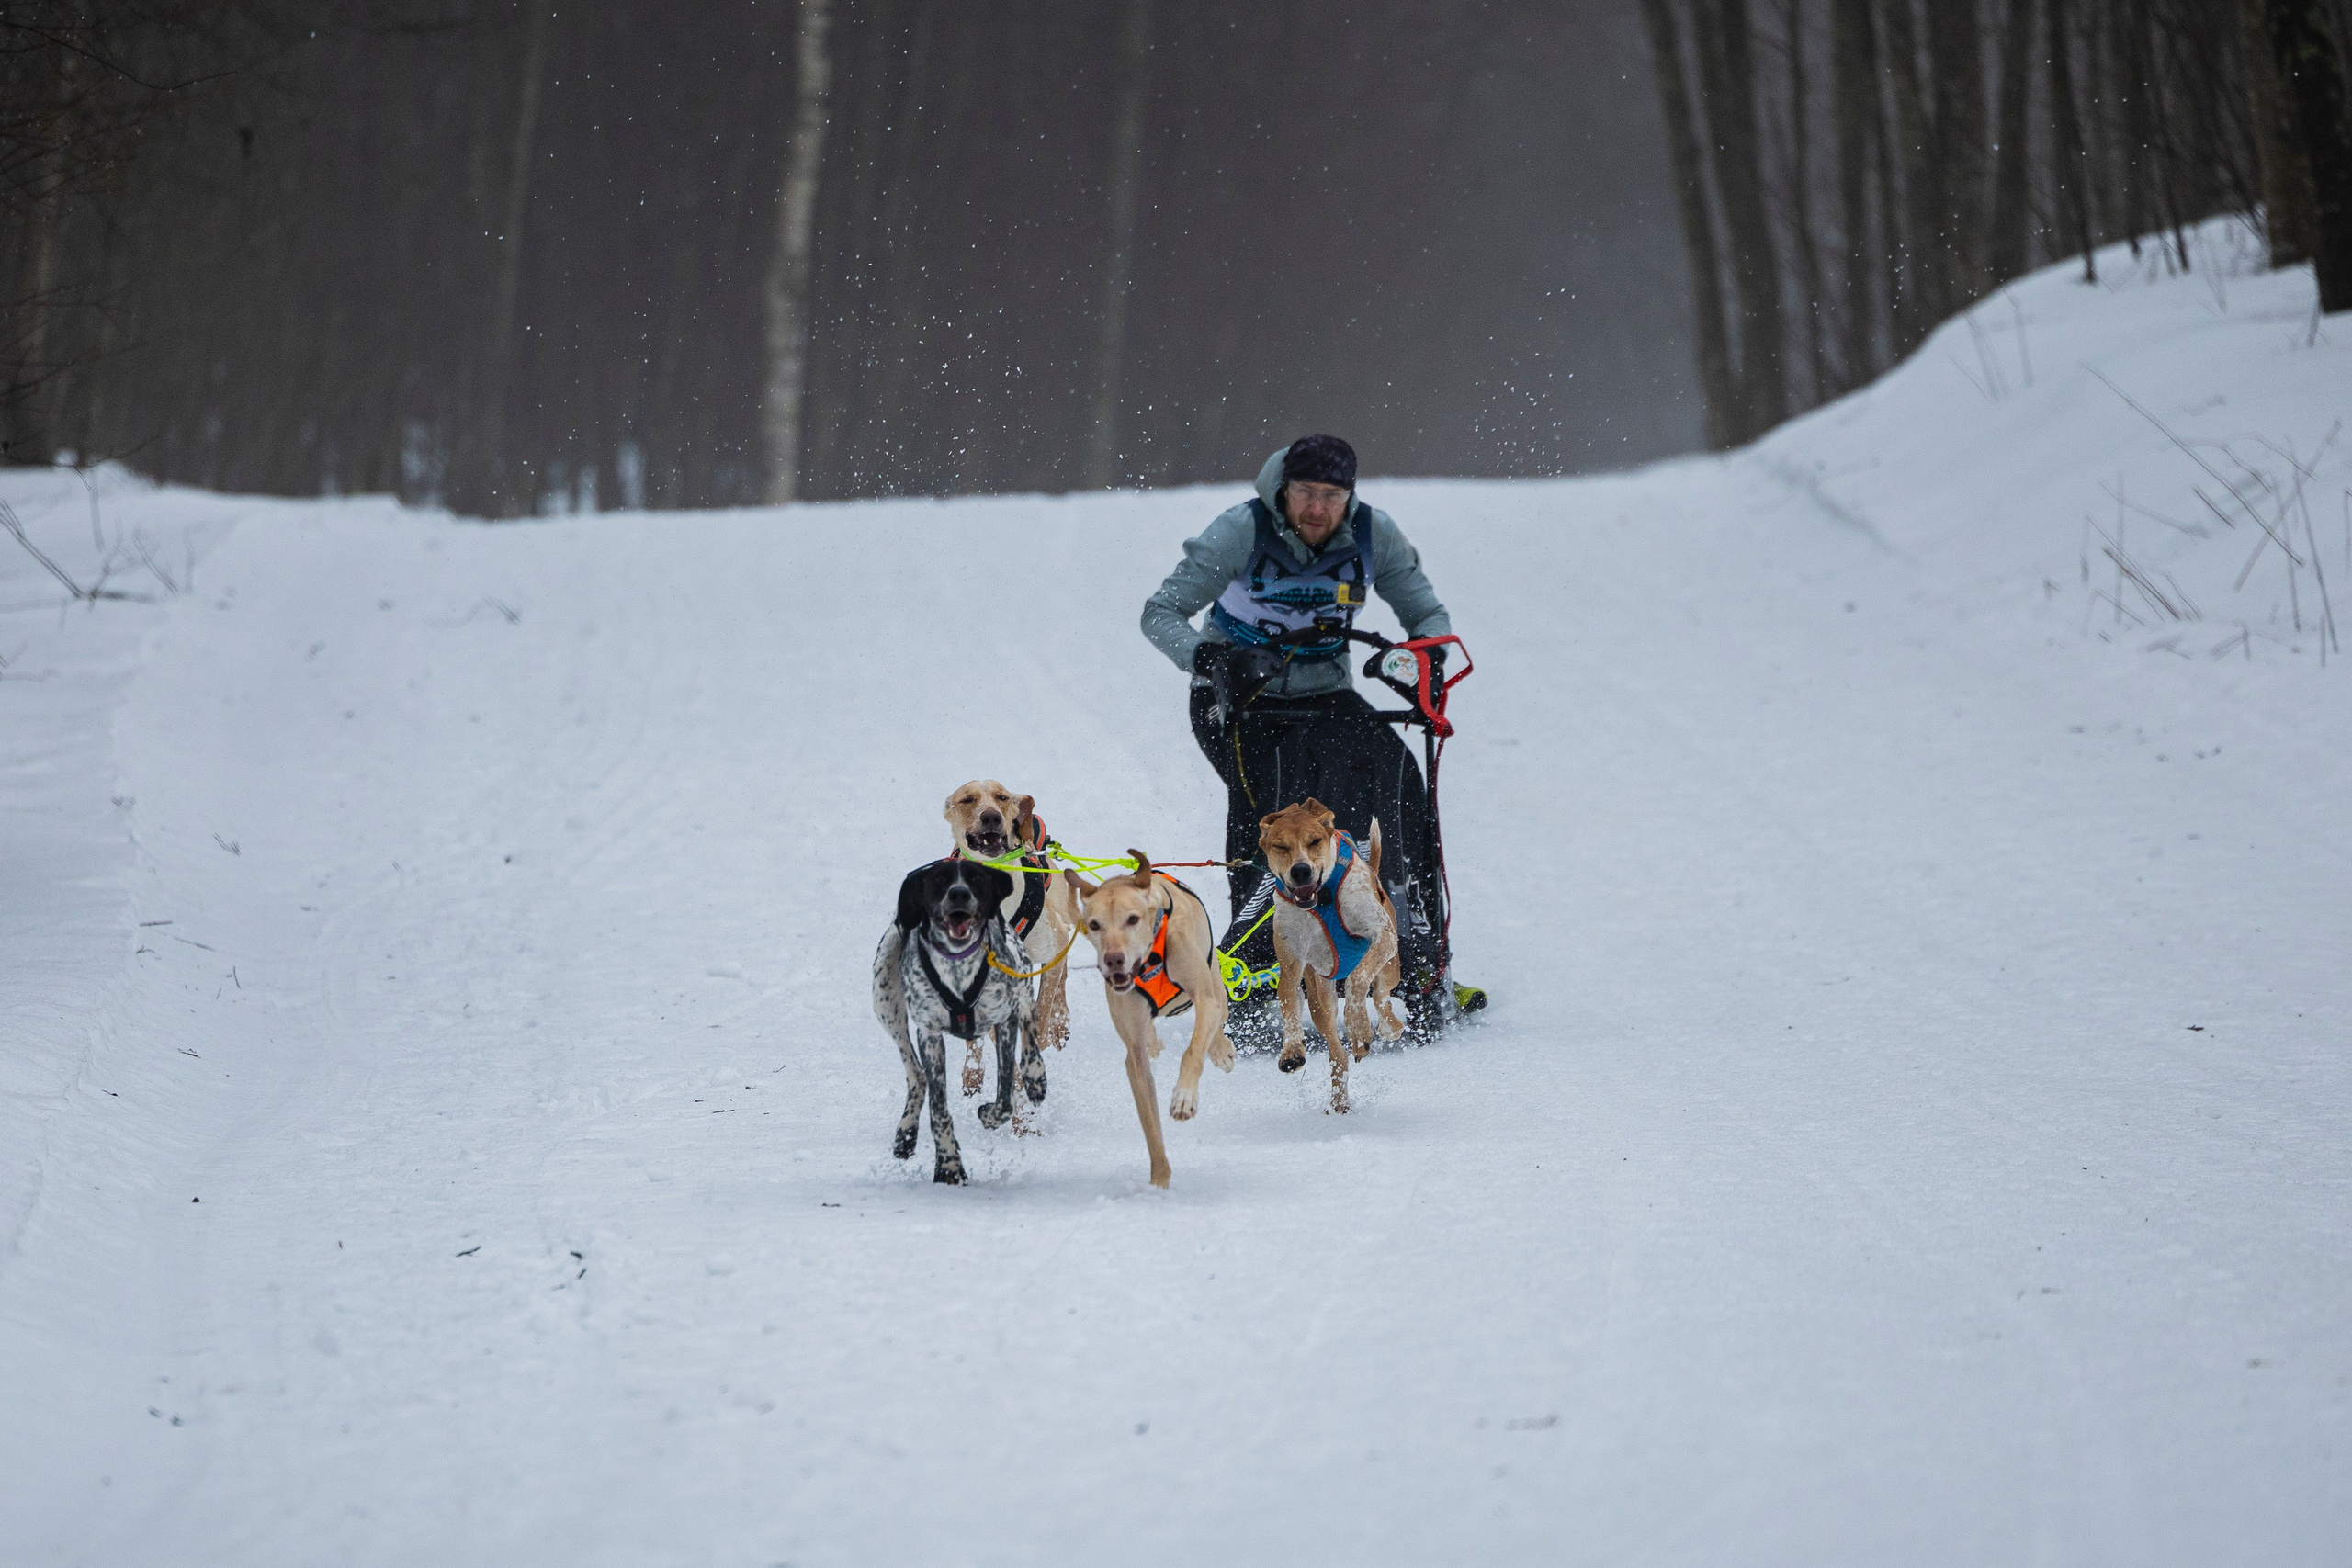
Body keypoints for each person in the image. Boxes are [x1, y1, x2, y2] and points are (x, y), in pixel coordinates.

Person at [1140, 434, 1481, 1032]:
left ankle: (1420, 962)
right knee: (1279, 816)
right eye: (1305, 494)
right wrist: (1209, 658)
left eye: (1331, 496)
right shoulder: (1242, 530)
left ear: (1348, 497)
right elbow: (1161, 611)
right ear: (1283, 490)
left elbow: (1427, 615)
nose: (1317, 508)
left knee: (1399, 786)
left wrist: (1424, 658)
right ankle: (1253, 979)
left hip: (1325, 694)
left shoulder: (1373, 534)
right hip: (1237, 699)